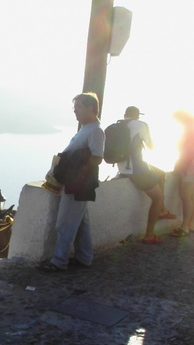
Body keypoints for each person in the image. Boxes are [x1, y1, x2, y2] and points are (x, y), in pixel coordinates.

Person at [38, 92, 104, 272]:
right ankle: (84, 258)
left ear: (91, 108)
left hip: (78, 184)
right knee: (81, 223)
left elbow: (97, 157)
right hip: (75, 183)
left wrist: (75, 170)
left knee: (65, 223)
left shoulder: (96, 131)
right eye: (74, 108)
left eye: (78, 108)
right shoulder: (86, 128)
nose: (75, 112)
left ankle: (59, 262)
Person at [115, 106, 174, 244]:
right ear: (137, 116)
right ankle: (149, 235)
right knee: (157, 198)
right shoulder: (141, 125)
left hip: (122, 168)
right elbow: (151, 147)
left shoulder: (117, 126)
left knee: (161, 173)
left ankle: (163, 210)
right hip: (136, 170)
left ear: (125, 115)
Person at [171, 109, 194, 237]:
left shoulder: (188, 128)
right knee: (192, 197)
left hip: (190, 165)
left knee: (186, 196)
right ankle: (191, 224)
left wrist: (181, 166)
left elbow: (188, 150)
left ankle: (184, 226)